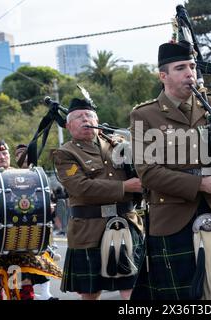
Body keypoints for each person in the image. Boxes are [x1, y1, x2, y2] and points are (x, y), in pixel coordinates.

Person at [129, 40, 211, 300]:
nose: (190, 72)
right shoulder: (145, 115)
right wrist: (201, 184)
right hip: (172, 222)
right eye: (181, 68)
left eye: (192, 66)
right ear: (163, 75)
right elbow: (148, 173)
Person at [53, 98, 144, 300]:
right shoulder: (65, 154)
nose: (85, 119)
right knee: (91, 292)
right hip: (89, 229)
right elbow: (79, 186)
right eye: (78, 117)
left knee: (133, 287)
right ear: (68, 126)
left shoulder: (119, 144)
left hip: (126, 223)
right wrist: (123, 187)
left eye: (89, 115)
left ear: (97, 119)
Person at [0, 140, 62, 300]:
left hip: (19, 236)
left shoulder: (22, 175)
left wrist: (45, 207)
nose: (2, 157)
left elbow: (35, 198)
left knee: (23, 279)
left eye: (4, 153)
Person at [14, 144, 59, 300]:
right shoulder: (11, 177)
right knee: (24, 268)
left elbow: (50, 196)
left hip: (40, 224)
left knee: (44, 259)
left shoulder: (40, 175)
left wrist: (51, 206)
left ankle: (46, 293)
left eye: (26, 154)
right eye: (20, 154)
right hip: (20, 227)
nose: (24, 157)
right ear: (15, 158)